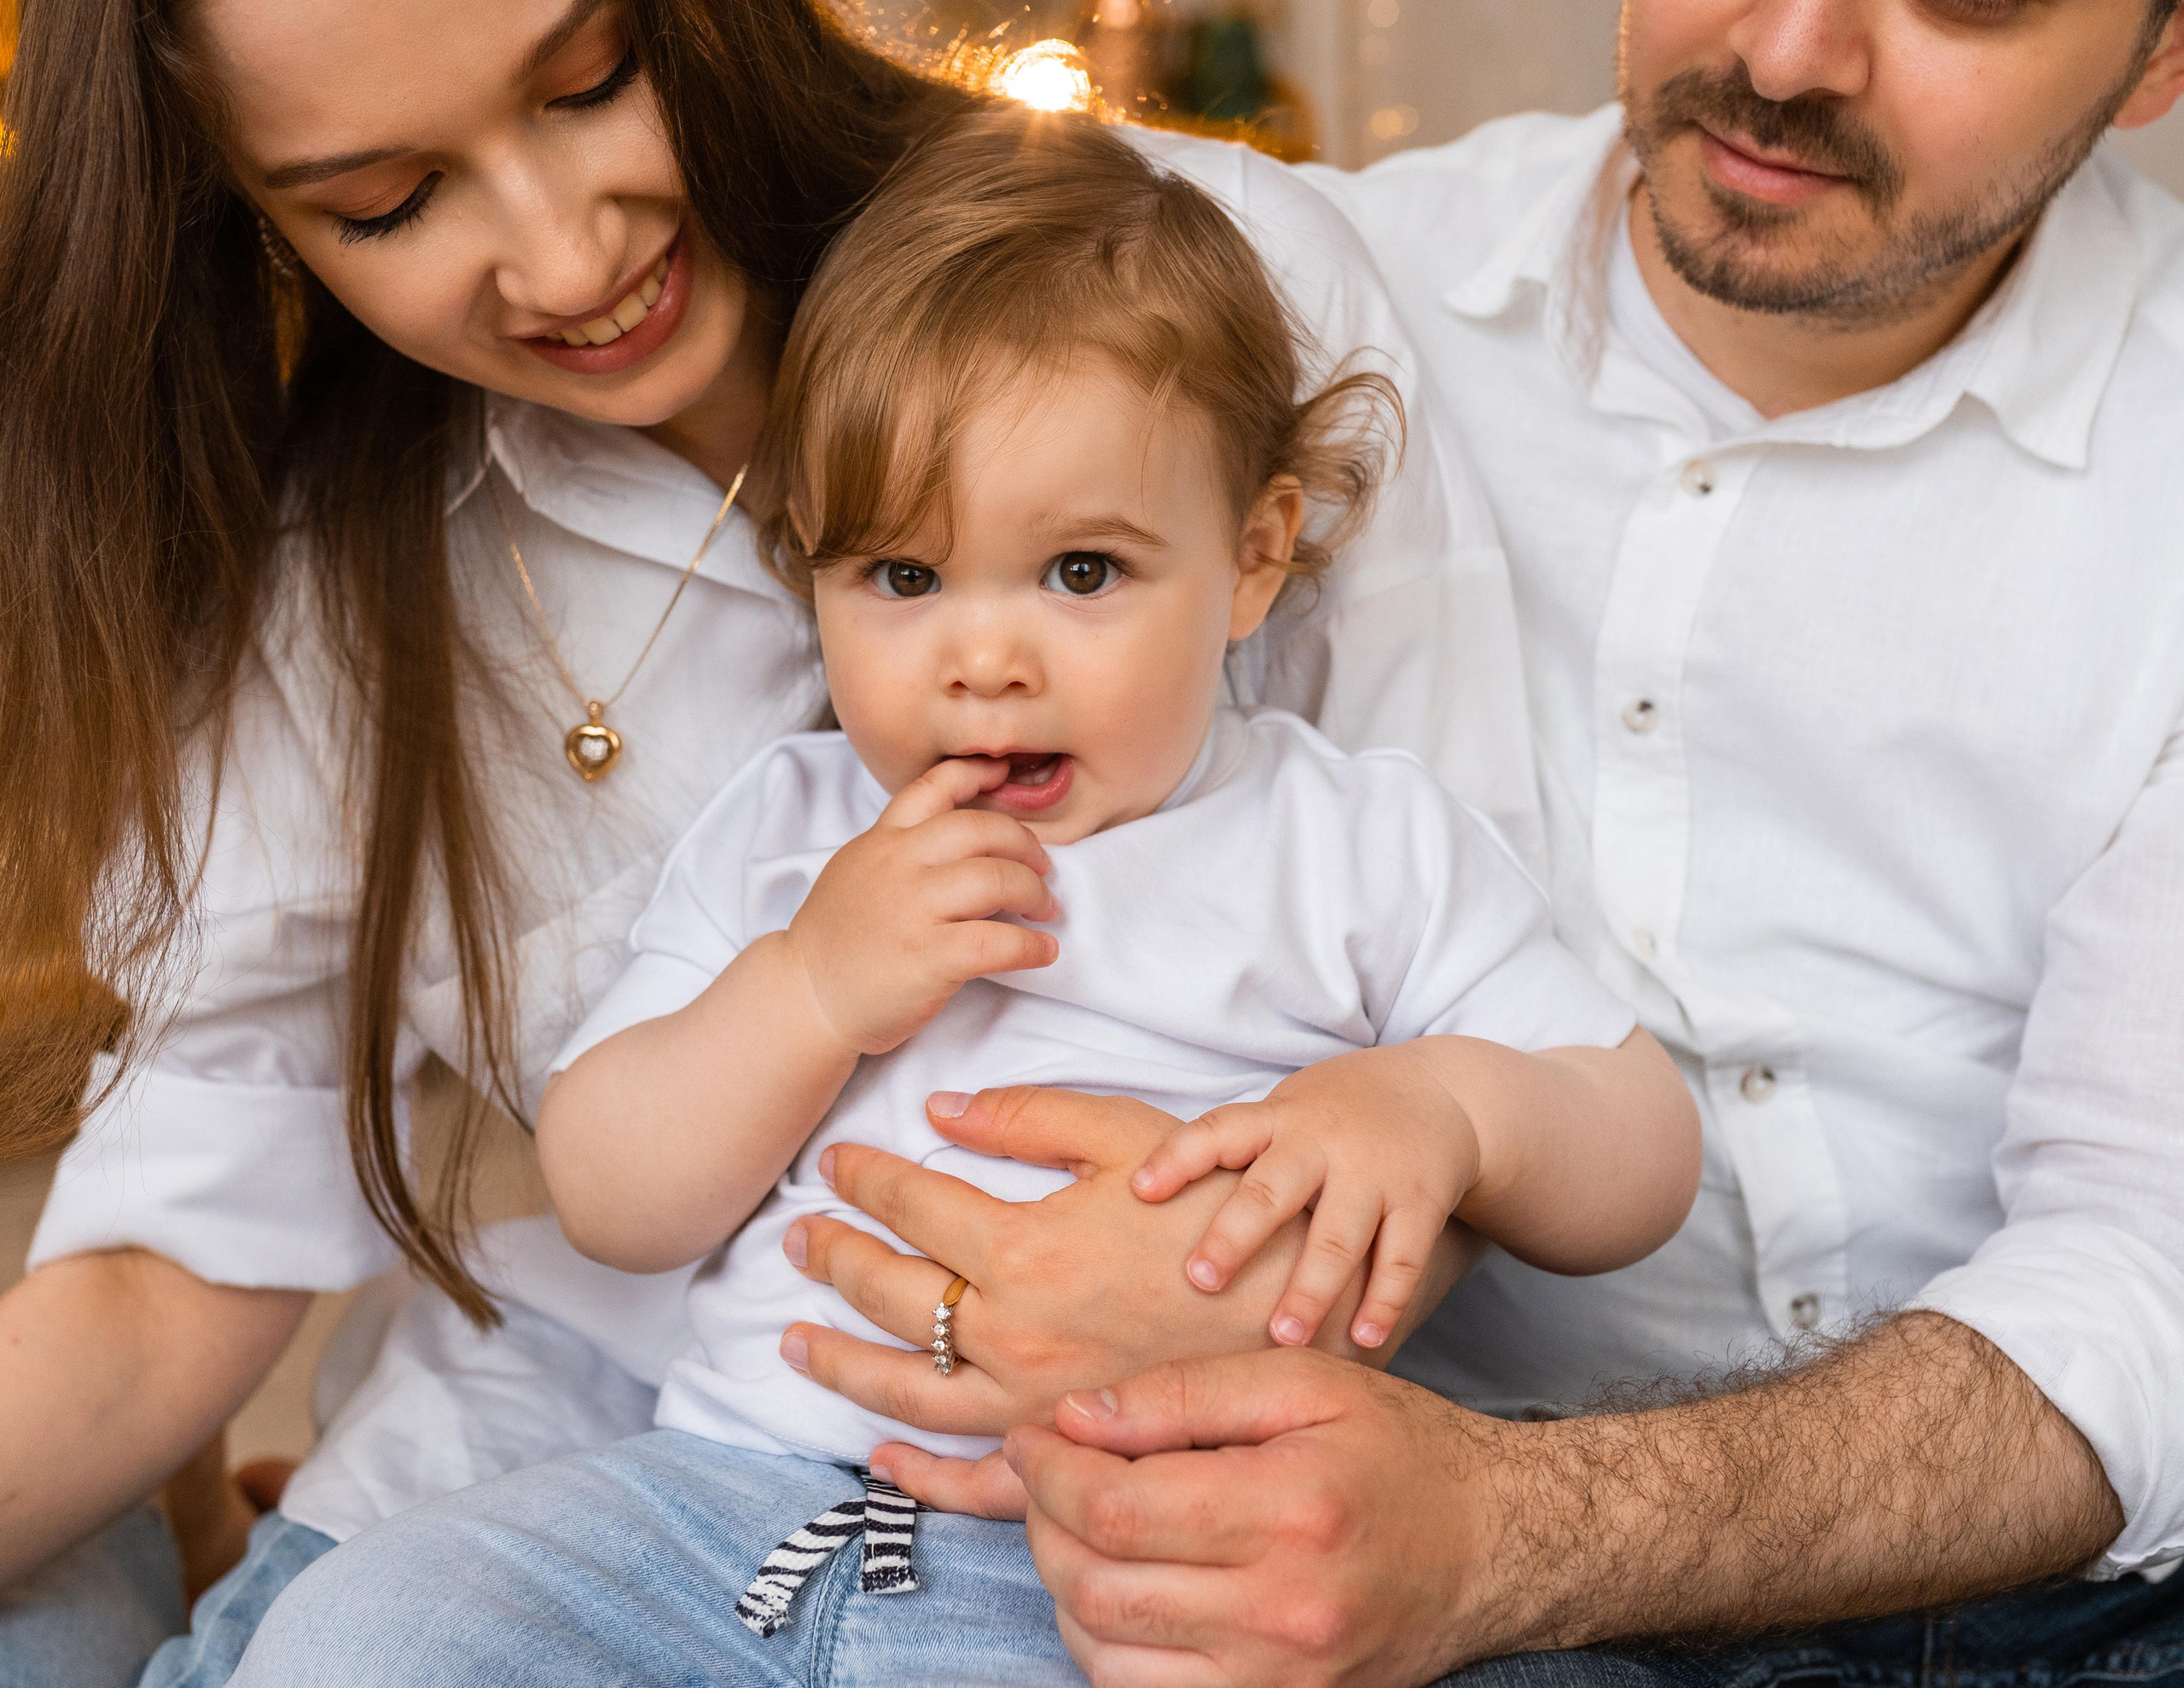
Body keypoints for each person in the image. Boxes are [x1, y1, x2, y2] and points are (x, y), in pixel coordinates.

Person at [0, 2, 1537, 1685]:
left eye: (591, 83)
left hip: (1114, 1526)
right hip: (545, 1492)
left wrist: (1263, 1286)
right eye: (386, 202)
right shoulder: (337, 567)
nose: (567, 256)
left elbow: (1483, 1019)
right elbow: (175, 1259)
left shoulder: (1206, 268)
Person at [731, 1, 2184, 1683]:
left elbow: (2150, 1282)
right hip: (1310, 1547)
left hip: (2059, 1590)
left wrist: (1505, 1528)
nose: (1789, 54)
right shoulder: (1275, 306)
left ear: (2161, 56)